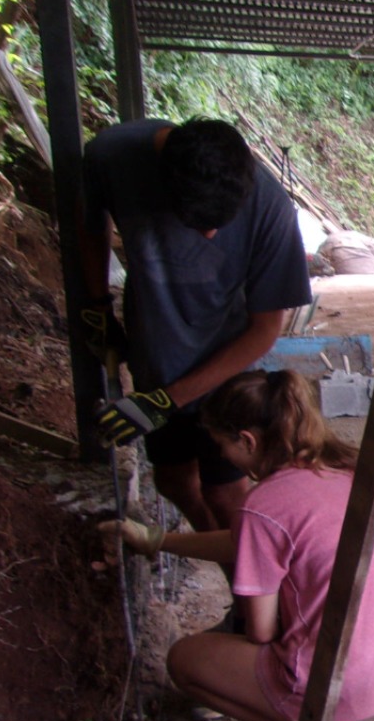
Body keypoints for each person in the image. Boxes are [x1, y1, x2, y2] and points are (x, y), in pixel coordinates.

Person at [97, 370, 374, 721]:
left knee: (184, 660)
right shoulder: (346, 469)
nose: (221, 454)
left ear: (247, 441)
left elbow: (261, 631)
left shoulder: (264, 504)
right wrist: (157, 540)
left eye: (221, 445)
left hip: (350, 696)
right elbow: (247, 541)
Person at [79, 117, 312, 543]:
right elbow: (92, 227)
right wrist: (97, 307)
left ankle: (248, 583)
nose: (210, 234)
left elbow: (264, 331)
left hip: (225, 369)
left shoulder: (271, 207)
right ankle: (233, 571)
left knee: (225, 493)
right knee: (174, 482)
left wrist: (165, 401)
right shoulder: (111, 158)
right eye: (197, 224)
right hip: (158, 357)